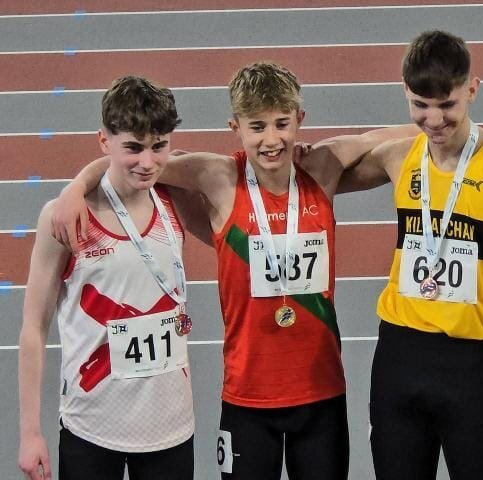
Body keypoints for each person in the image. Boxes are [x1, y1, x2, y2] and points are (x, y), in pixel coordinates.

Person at [49, 61, 418, 479]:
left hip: (321, 394)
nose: (272, 140)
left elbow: (399, 137)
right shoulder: (219, 176)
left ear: (300, 119)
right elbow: (129, 160)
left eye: (282, 124)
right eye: (257, 127)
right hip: (247, 402)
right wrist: (76, 186)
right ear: (235, 127)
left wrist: (451, 124)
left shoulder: (322, 167)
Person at [337, 30, 483, 479]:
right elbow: (322, 168)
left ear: (472, 89)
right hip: (398, 360)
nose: (433, 121)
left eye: (446, 105)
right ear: (405, 93)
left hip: (470, 370)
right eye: (419, 106)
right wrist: (384, 133)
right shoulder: (400, 155)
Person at [18, 76, 197, 480]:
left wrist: (80, 179)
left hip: (171, 427)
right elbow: (33, 327)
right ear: (104, 141)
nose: (147, 162)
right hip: (93, 427)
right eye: (132, 147)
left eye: (158, 146)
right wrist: (30, 432)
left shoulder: (176, 195)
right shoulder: (65, 218)